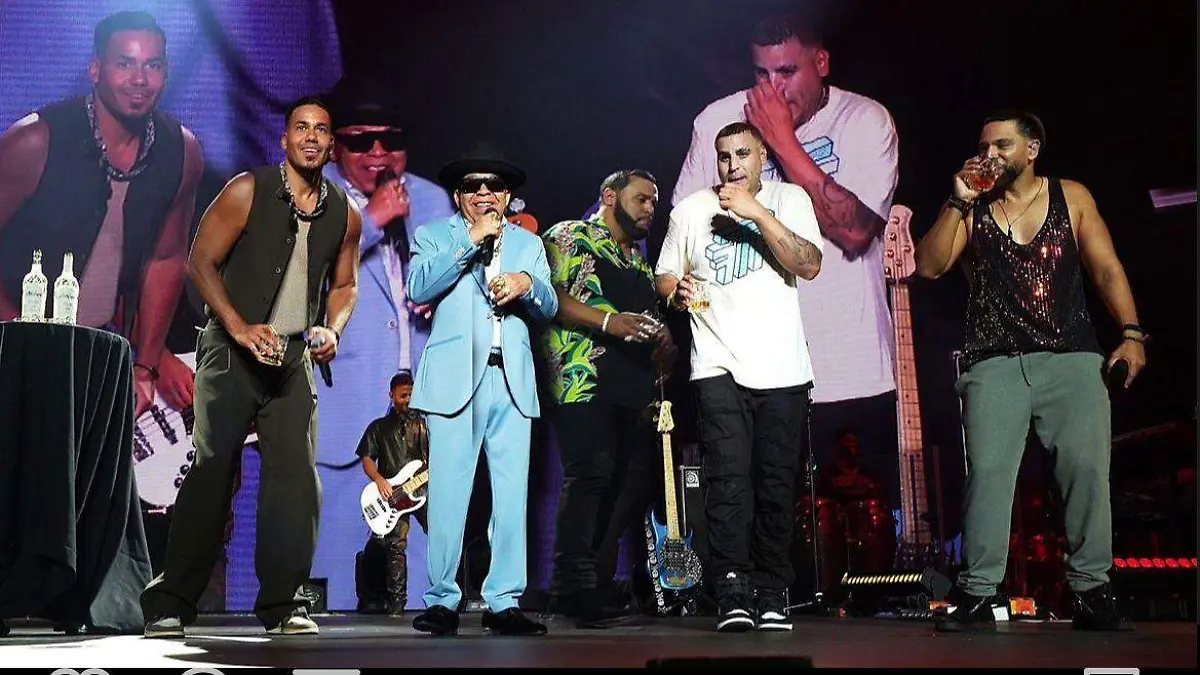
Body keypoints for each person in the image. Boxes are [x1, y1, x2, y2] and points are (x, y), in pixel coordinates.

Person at [140, 96, 363, 637]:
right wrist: (240, 328)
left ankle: (284, 603)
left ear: (332, 146)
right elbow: (200, 262)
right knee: (213, 470)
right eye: (301, 128)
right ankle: (170, 602)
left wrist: (332, 330)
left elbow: (345, 285)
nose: (311, 137)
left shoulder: (345, 213)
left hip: (291, 359)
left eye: (321, 130)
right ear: (284, 140)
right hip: (230, 350)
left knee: (295, 480)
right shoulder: (247, 190)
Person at [915, 110, 1144, 632]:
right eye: (983, 146)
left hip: (1071, 358)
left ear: (1032, 149)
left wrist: (1131, 333)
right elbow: (928, 266)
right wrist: (958, 200)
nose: (989, 155)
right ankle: (979, 592)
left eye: (1001, 145)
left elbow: (1106, 268)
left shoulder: (1071, 196)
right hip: (994, 362)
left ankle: (1092, 590)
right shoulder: (973, 208)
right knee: (989, 475)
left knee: (1086, 473)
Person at [672, 11, 903, 515]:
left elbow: (854, 231)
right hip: (752, 373)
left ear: (821, 63)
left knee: (861, 531)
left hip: (850, 369)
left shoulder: (865, 121)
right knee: (768, 520)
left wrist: (780, 140)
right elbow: (686, 236)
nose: (773, 89)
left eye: (787, 72)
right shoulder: (717, 123)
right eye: (762, 73)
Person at [656, 122, 823, 632]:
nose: (733, 166)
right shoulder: (691, 210)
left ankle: (772, 589)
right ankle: (731, 589)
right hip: (716, 362)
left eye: (743, 154)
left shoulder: (789, 199)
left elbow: (809, 265)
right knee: (727, 480)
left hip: (782, 367)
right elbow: (664, 275)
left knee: (775, 481)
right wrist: (676, 292)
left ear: (763, 156)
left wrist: (756, 213)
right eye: (724, 156)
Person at [0, 10, 204, 421]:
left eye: (153, 65)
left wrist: (147, 366)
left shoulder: (180, 152)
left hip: (96, 353)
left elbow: (166, 259)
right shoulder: (36, 140)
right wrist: (20, 336)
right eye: (124, 63)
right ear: (96, 70)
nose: (140, 79)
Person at [310, 80, 453, 611]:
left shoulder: (433, 200)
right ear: (335, 147)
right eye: (360, 141)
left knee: (417, 584)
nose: (377, 153)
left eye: (390, 140)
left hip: (418, 410)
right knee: (340, 581)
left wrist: (443, 298)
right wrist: (371, 221)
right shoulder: (308, 196)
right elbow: (301, 277)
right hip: (345, 404)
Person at [407, 142, 557, 637]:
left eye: (495, 186)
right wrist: (471, 241)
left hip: (510, 379)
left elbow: (550, 305)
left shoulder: (528, 245)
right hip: (455, 381)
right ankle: (442, 600)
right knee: (449, 495)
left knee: (512, 497)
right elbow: (419, 287)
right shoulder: (434, 236)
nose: (485, 193)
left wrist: (526, 284)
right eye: (473, 186)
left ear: (508, 196)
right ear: (458, 196)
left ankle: (503, 601)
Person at [542, 169, 676, 627]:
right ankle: (570, 588)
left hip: (629, 387)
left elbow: (642, 321)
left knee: (623, 485)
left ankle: (592, 583)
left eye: (654, 202)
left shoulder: (637, 260)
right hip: (582, 379)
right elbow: (550, 296)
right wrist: (608, 322)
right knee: (590, 475)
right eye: (641, 199)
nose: (650, 209)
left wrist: (663, 340)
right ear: (610, 196)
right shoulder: (570, 235)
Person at [355, 371, 430, 616]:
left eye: (410, 395)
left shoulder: (425, 425)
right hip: (392, 498)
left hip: (423, 491)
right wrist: (379, 480)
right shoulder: (378, 427)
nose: (407, 400)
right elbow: (367, 458)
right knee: (395, 546)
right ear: (391, 395)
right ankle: (397, 604)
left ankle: (448, 597)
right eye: (402, 396)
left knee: (442, 535)